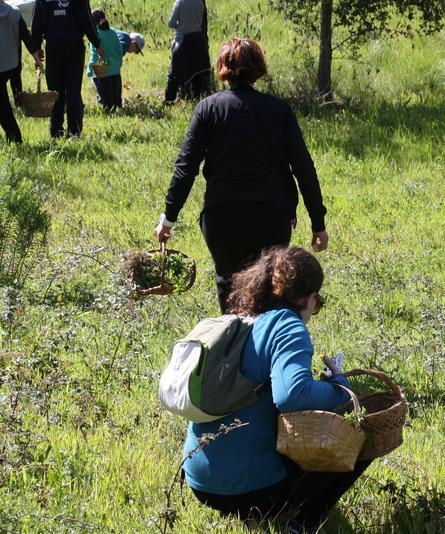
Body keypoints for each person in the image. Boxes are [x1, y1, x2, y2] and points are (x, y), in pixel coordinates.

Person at [182, 246, 367, 534]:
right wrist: (341, 389)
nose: (313, 310)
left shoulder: (245, 318)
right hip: (243, 489)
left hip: (200, 481)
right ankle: (302, 524)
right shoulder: (288, 327)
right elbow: (292, 395)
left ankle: (256, 508)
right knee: (362, 436)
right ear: (308, 297)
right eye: (317, 303)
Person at [156, 38, 329, 313]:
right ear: (258, 68)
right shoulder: (279, 111)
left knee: (229, 284)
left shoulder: (208, 109)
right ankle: (263, 348)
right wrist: (318, 222)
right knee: (269, 287)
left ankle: (231, 348)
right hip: (271, 214)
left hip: (223, 217)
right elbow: (303, 168)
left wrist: (168, 218)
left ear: (222, 68)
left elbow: (185, 166)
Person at [31, 0, 104, 138]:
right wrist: (96, 42)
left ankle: (58, 131)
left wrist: (36, 47)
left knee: (57, 91)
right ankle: (73, 131)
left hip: (56, 46)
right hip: (72, 46)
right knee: (72, 91)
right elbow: (86, 18)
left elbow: (37, 22)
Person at [1, 0, 41, 143]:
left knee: (2, 104)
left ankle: (15, 137)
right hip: (9, 65)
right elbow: (26, 36)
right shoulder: (14, 13)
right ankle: (14, 137)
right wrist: (37, 58)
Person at [163, 0, 209, 104]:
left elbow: (171, 23)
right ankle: (196, 99)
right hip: (198, 40)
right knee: (197, 72)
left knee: (174, 73)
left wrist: (181, 26)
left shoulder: (180, 2)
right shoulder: (200, 2)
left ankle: (169, 100)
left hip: (183, 41)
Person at [86, 8, 122, 110]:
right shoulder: (113, 32)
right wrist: (117, 62)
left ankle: (106, 108)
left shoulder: (95, 35)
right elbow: (119, 50)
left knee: (105, 95)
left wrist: (89, 70)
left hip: (103, 69)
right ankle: (117, 107)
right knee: (116, 94)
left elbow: (94, 55)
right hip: (115, 68)